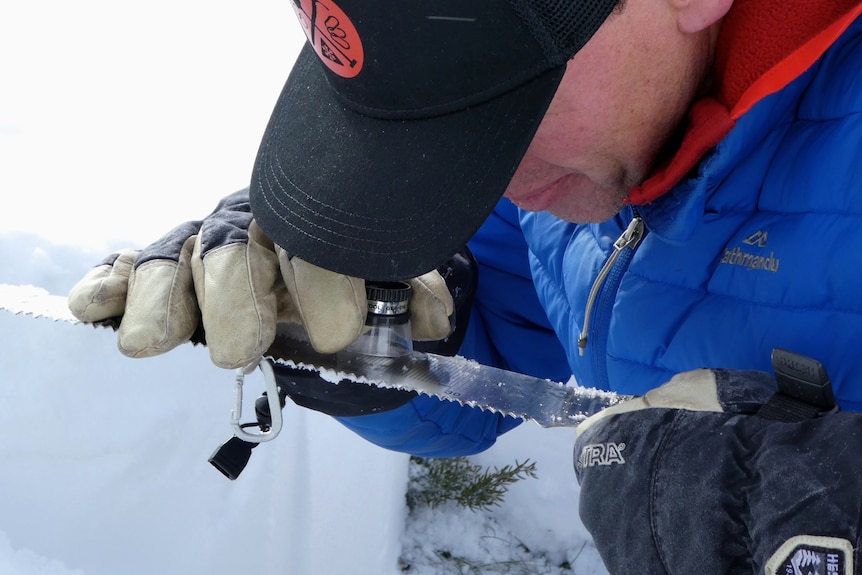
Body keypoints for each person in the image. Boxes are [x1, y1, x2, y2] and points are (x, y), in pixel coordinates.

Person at [68, 0, 862, 572]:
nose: (491, 184)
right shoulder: (589, 153)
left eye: (501, 110)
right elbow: (513, 302)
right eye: (440, 122)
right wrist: (382, 325)